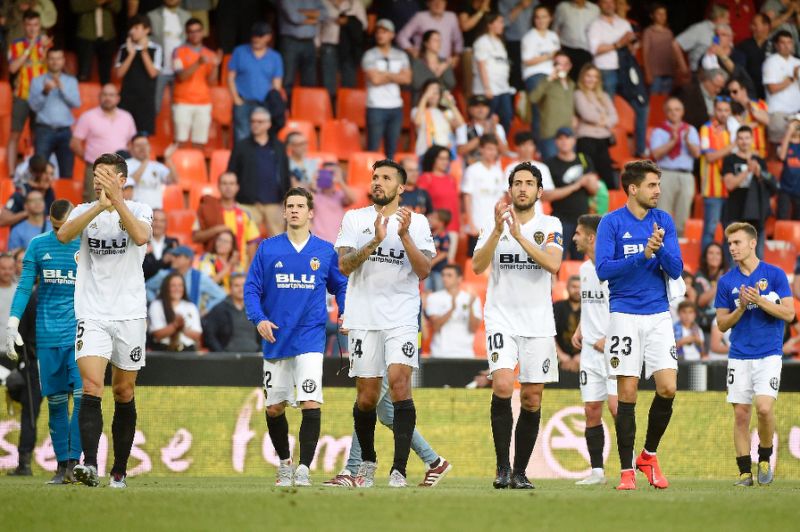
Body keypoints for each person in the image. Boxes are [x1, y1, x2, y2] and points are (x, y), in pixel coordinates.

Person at [335, 159, 438, 488]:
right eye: (375, 176)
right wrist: (375, 242)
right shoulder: (355, 218)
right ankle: (367, 461)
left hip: (402, 316)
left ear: (401, 187)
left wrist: (404, 236)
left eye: (386, 178)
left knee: (399, 383)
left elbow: (423, 271)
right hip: (364, 317)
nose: (378, 182)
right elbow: (344, 266)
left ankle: (399, 470)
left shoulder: (418, 223)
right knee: (366, 397)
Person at [56, 152, 154, 488]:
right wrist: (99, 206)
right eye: (96, 175)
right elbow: (64, 236)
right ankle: (90, 464)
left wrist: (117, 203)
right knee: (92, 387)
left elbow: (141, 237)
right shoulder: (85, 211)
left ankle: (119, 471)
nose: (99, 180)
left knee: (124, 391)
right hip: (93, 313)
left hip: (130, 314)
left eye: (106, 175)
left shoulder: (140, 210)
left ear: (122, 179)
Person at [245, 187, 348, 487]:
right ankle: (285, 463)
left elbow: (340, 286)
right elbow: (251, 289)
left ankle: (303, 468)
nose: (294, 210)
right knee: (274, 407)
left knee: (310, 401)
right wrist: (259, 319)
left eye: (300, 206)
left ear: (310, 212)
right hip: (277, 337)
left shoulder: (324, 251)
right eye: (289, 206)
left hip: (310, 337)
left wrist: (345, 311)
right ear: (284, 212)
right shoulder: (268, 249)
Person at [472, 161, 563, 489]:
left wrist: (521, 237)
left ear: (539, 191)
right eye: (517, 183)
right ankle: (502, 468)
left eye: (529, 183)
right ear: (510, 189)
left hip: (538, 322)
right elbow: (477, 266)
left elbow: (553, 264)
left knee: (533, 398)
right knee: (503, 386)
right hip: (501, 319)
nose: (522, 188)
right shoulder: (492, 224)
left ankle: (520, 472)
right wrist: (498, 231)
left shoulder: (550, 224)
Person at [595, 159, 682, 490]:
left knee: (668, 388)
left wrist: (658, 252)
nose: (658, 191)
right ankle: (626, 470)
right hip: (624, 314)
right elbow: (603, 270)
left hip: (658, 313)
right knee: (627, 392)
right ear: (633, 189)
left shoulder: (664, 221)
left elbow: (676, 269)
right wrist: (641, 255)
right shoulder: (612, 223)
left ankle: (648, 454)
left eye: (658, 185)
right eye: (652, 185)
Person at [715, 222, 795, 486]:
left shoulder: (775, 275)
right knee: (740, 415)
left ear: (752, 243)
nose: (732, 248)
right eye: (729, 244)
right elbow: (722, 324)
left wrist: (760, 300)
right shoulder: (727, 281)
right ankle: (744, 473)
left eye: (737, 243)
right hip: (739, 355)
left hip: (769, 353)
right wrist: (741, 307)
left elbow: (790, 314)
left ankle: (764, 455)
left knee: (763, 408)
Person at [7, 197, 81, 471]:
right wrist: (12, 322)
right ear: (50, 222)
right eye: (57, 226)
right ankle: (62, 465)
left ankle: (76, 461)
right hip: (46, 336)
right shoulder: (38, 246)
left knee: (84, 398)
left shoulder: (87, 244)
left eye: (67, 226)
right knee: (57, 402)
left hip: (80, 335)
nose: (62, 233)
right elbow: (25, 287)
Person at [569, 214, 618, 485]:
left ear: (591, 237)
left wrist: (609, 337)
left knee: (617, 408)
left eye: (577, 233)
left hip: (613, 350)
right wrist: (579, 328)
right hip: (589, 351)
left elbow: (623, 306)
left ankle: (628, 466)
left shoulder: (613, 267)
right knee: (591, 409)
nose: (573, 237)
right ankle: (597, 471)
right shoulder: (585, 269)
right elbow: (592, 305)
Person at [226, 108, 290, 238]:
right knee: (245, 240)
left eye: (260, 122)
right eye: (253, 121)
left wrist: (287, 199)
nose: (255, 124)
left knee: (278, 242)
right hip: (247, 203)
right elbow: (231, 172)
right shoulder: (241, 146)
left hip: (274, 203)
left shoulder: (279, 146)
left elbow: (285, 174)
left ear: (268, 124)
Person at [70, 84, 138, 202]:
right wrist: (91, 161)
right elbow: (74, 143)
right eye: (104, 95)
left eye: (111, 95)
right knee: (93, 202)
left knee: (120, 203)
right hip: (96, 169)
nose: (108, 98)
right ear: (99, 97)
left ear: (118, 98)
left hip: (119, 169)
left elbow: (131, 143)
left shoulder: (127, 117)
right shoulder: (88, 116)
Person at [543, 127, 600, 260]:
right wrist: (576, 185)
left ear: (573, 141)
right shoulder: (550, 164)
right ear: (556, 142)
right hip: (560, 219)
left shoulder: (584, 159)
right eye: (560, 138)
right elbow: (546, 195)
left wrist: (591, 182)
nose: (564, 142)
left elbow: (594, 190)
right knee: (557, 258)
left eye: (567, 138)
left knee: (579, 260)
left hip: (583, 220)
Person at [6, 9, 51, 177]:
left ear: (40, 26)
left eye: (36, 25)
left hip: (41, 98)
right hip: (22, 96)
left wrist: (45, 51)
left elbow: (53, 68)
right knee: (15, 134)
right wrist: (29, 48)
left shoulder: (46, 43)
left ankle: (36, 173)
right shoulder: (16, 44)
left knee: (38, 136)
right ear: (24, 26)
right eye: (29, 25)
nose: (32, 28)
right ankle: (11, 174)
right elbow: (12, 68)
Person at [650, 97, 702, 237]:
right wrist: (672, 142)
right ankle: (659, 246)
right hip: (665, 173)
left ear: (682, 112)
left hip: (686, 175)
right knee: (663, 213)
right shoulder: (659, 131)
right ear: (666, 112)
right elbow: (656, 154)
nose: (674, 113)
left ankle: (679, 247)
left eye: (677, 109)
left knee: (683, 213)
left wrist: (687, 142)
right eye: (670, 110)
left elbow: (697, 153)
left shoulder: (690, 130)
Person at [722, 126, 774, 258]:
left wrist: (759, 172)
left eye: (747, 138)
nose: (744, 141)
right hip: (735, 213)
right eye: (740, 138)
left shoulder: (760, 161)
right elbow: (729, 184)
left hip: (756, 216)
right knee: (734, 257)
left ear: (752, 139)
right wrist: (748, 171)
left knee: (758, 256)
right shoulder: (730, 159)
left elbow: (770, 186)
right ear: (736, 140)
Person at [362, 19, 411, 160]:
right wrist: (396, 75)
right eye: (378, 31)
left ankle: (388, 180)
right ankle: (370, 180)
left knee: (392, 150)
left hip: (395, 107)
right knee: (373, 147)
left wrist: (384, 74)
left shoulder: (401, 55)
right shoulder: (369, 54)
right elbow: (375, 80)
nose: (380, 35)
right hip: (375, 106)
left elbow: (407, 79)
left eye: (384, 32)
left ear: (392, 35)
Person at [227, 22, 284, 143]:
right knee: (242, 136)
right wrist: (236, 99)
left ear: (268, 37)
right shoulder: (239, 51)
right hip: (244, 102)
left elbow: (277, 83)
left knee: (263, 137)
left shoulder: (275, 57)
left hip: (264, 103)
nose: (256, 39)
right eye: (254, 35)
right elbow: (230, 77)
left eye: (260, 36)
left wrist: (272, 100)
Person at [28, 47, 80, 180]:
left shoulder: (71, 81)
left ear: (63, 61)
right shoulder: (37, 81)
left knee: (67, 173)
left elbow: (76, 103)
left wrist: (62, 90)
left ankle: (64, 200)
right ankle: (39, 200)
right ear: (47, 61)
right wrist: (45, 91)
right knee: (39, 171)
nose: (55, 62)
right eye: (52, 59)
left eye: (58, 58)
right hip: (44, 130)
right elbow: (33, 106)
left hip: (65, 132)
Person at [192, 172, 261, 264]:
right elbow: (195, 237)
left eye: (231, 184)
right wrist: (216, 230)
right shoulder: (207, 208)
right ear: (219, 186)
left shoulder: (245, 213)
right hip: (212, 268)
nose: (228, 187)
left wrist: (250, 270)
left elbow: (252, 243)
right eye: (224, 183)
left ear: (237, 187)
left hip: (238, 269)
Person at [172, 17, 220, 149]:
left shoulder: (209, 53)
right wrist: (198, 63)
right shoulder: (178, 52)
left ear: (203, 32)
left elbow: (212, 82)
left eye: (198, 31)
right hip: (182, 102)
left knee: (199, 143)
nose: (195, 34)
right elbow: (181, 76)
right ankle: (179, 169)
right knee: (180, 141)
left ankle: (195, 169)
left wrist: (215, 66)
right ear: (186, 33)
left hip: (203, 102)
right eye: (191, 31)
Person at [115, 14, 162, 135]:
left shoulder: (156, 49)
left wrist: (144, 51)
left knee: (142, 137)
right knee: (123, 135)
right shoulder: (124, 48)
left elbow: (153, 73)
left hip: (145, 102)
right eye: (130, 28)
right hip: (126, 100)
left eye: (136, 28)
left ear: (147, 30)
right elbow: (119, 74)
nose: (132, 31)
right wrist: (131, 54)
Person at [574, 64, 618, 190]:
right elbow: (587, 114)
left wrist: (602, 121)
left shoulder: (603, 95)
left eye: (595, 77)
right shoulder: (578, 94)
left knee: (608, 176)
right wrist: (604, 118)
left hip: (603, 140)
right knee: (589, 175)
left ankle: (611, 207)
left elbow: (615, 117)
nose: (591, 79)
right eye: (588, 76)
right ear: (583, 77)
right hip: (586, 139)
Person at [146, 245, 227, 314]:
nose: (172, 259)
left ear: (188, 259)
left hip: (191, 322)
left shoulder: (199, 277)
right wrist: (157, 304)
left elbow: (221, 295)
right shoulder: (164, 275)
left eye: (177, 256)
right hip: (166, 319)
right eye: (173, 256)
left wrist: (206, 310)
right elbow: (147, 288)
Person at [700, 97, 735, 252]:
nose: (723, 114)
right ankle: (705, 269)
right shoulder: (706, 129)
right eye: (720, 110)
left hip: (731, 190)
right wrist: (732, 147)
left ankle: (726, 268)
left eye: (726, 110)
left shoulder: (733, 131)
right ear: (714, 111)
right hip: (712, 190)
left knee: (730, 232)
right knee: (710, 230)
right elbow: (710, 157)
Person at [461, 134, 507, 251]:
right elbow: (467, 197)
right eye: (489, 149)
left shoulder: (498, 172)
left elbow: (501, 199)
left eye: (495, 149)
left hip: (494, 226)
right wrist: (470, 223)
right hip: (477, 225)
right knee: (475, 262)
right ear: (481, 149)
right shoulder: (472, 170)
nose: (492, 153)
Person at [521, 5, 560, 142]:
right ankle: (540, 145)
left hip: (553, 76)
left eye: (544, 16)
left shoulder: (553, 36)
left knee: (554, 110)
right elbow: (527, 61)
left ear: (550, 18)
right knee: (540, 111)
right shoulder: (529, 36)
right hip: (535, 75)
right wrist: (549, 55)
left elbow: (558, 58)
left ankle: (554, 143)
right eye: (537, 17)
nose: (541, 20)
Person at [146, 0, 192, 115]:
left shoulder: (187, 16)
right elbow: (147, 41)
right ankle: (151, 132)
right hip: (159, 68)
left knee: (180, 109)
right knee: (153, 107)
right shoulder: (152, 16)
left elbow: (190, 42)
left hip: (180, 70)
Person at [528, 52, 575, 161]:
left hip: (568, 134)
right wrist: (549, 79)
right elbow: (533, 98)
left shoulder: (572, 84)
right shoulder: (546, 81)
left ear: (569, 66)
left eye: (564, 64)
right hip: (550, 134)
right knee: (551, 169)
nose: (561, 67)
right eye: (557, 64)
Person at [425, 265, 480, 359]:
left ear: (459, 279)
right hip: (440, 354)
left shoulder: (472, 299)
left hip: (465, 354)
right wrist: (452, 309)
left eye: (449, 275)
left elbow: (473, 328)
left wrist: (470, 307)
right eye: (443, 275)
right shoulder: (433, 298)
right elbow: (435, 326)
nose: (444, 278)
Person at [319, 0, 367, 105]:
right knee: (329, 83)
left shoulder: (355, 3)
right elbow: (318, 24)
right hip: (328, 45)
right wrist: (317, 45)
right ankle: (329, 112)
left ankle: (348, 111)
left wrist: (348, 21)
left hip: (349, 48)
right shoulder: (323, 2)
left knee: (349, 83)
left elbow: (364, 25)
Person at [472, 12, 513, 133]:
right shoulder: (482, 42)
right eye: (499, 22)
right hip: (489, 89)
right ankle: (488, 144)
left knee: (507, 116)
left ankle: (501, 142)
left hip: (503, 88)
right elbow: (481, 65)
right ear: (490, 24)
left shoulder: (499, 42)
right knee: (487, 118)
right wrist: (487, 87)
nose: (502, 25)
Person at [277, 0, 325, 104]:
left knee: (310, 81)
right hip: (290, 42)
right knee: (288, 80)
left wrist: (303, 13)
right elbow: (294, 17)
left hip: (309, 42)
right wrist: (313, 15)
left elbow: (325, 14)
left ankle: (306, 109)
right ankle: (286, 111)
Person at [586, 0, 636, 97]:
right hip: (605, 69)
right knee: (608, 100)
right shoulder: (595, 25)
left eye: (611, 2)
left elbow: (631, 46)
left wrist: (631, 44)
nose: (609, 5)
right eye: (605, 2)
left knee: (628, 98)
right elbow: (594, 49)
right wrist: (618, 44)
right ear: (599, 5)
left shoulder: (624, 23)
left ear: (615, 4)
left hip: (625, 67)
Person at [201, 272, 260, 352]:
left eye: (243, 285)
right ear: (230, 288)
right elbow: (209, 335)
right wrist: (221, 354)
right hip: (228, 360)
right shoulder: (219, 309)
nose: (241, 289)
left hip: (254, 358)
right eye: (236, 285)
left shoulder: (256, 309)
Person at [503, 132, 555, 217]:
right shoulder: (510, 168)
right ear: (517, 147)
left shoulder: (543, 168)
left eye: (530, 145)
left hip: (537, 214)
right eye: (523, 145)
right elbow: (508, 197)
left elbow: (547, 194)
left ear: (534, 147)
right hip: (515, 215)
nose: (527, 148)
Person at [397, 0, 462, 66]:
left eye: (441, 1)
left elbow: (458, 39)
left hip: (445, 62)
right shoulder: (420, 17)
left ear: (445, 3)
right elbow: (401, 36)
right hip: (424, 62)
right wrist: (413, 51)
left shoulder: (451, 17)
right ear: (428, 4)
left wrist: (457, 56)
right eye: (434, 2)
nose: (438, 5)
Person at [148, 272, 202, 351]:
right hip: (164, 351)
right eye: (173, 285)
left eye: (180, 285)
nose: (177, 289)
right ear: (166, 287)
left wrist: (182, 328)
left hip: (187, 351)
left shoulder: (191, 307)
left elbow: (197, 335)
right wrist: (175, 325)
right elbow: (157, 334)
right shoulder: (157, 305)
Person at [763, 30, 800, 145]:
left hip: (797, 112)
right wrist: (792, 78)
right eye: (783, 43)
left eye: (789, 42)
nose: (786, 46)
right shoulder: (770, 62)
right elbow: (772, 89)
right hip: (778, 113)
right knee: (778, 147)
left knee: (796, 151)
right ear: (776, 45)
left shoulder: (797, 62)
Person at [70, 0, 120, 84]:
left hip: (108, 35)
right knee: (83, 74)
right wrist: (98, 2)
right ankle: (84, 95)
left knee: (106, 76)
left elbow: (117, 7)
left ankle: (106, 95)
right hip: (86, 35)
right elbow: (75, 6)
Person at [673, 3, 730, 77]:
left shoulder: (719, 32)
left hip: (716, 76)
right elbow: (675, 44)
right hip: (698, 75)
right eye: (727, 18)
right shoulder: (699, 29)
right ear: (719, 18)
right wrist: (683, 68)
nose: (728, 22)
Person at [418, 146, 460, 240]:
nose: (445, 162)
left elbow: (456, 206)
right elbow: (420, 203)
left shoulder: (451, 179)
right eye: (441, 158)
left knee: (450, 255)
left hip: (453, 228)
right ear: (433, 159)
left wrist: (458, 227)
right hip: (434, 229)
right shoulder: (426, 178)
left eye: (447, 159)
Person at [411, 81, 464, 157]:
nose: (433, 95)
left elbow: (460, 124)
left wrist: (451, 104)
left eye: (436, 92)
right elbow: (417, 122)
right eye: (430, 92)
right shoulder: (417, 110)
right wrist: (425, 97)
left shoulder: (445, 112)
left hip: (444, 154)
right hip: (425, 152)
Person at [0, 157, 55, 228]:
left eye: (51, 174)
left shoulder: (50, 192)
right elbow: (2, 220)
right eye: (45, 173)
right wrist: (27, 213)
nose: (49, 178)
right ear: (36, 173)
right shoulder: (22, 191)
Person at [125, 135, 177, 210]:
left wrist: (168, 159)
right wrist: (145, 161)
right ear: (132, 148)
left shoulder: (157, 166)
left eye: (144, 144)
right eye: (138, 145)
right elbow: (131, 182)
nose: (142, 148)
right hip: (135, 212)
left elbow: (174, 180)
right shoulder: (126, 164)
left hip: (155, 213)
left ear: (149, 146)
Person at [455, 95, 508, 167]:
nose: (481, 109)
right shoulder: (463, 129)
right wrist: (483, 136)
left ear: (489, 109)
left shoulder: (498, 127)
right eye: (477, 106)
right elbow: (460, 151)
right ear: (470, 109)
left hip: (494, 170)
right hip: (472, 171)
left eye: (484, 106)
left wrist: (494, 132)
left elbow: (505, 151)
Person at [552, 0, 600, 80]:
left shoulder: (595, 9)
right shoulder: (562, 7)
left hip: (586, 52)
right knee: (564, 79)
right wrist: (557, 51)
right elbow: (555, 29)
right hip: (566, 50)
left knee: (584, 80)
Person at [311, 162, 357, 244]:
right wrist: (313, 182)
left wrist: (340, 181)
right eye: (326, 173)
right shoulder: (315, 196)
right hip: (319, 243)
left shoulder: (339, 196)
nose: (328, 176)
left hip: (338, 243)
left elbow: (353, 199)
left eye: (332, 173)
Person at [410, 30, 457, 104]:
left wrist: (445, 68)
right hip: (422, 104)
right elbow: (417, 84)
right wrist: (438, 72)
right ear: (426, 43)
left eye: (440, 40)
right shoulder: (417, 62)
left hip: (442, 104)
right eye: (435, 40)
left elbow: (451, 83)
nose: (439, 43)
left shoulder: (444, 62)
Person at [727, 77, 769, 159]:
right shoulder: (736, 111)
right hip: (743, 153)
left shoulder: (759, 104)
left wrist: (751, 108)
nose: (732, 95)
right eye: (730, 92)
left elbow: (768, 121)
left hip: (760, 151)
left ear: (743, 90)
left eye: (735, 91)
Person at [735, 13, 772, 100]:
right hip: (749, 92)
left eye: (755, 25)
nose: (752, 27)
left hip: (770, 92)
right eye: (752, 25)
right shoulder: (743, 45)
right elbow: (738, 70)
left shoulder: (775, 45)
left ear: (766, 26)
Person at [642, 3, 676, 95]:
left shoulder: (669, 32)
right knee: (654, 100)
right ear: (652, 16)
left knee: (666, 101)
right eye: (659, 14)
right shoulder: (648, 32)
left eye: (664, 14)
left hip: (668, 73)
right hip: (654, 75)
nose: (662, 16)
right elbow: (645, 53)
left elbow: (673, 53)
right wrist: (647, 72)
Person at [694, 243, 729, 334]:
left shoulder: (729, 275)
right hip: (704, 324)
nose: (714, 256)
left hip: (723, 325)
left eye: (718, 253)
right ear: (705, 257)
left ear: (722, 257)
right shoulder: (699, 276)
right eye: (711, 253)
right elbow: (700, 302)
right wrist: (719, 283)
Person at [554, 275, 581, 372]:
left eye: (580, 287)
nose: (577, 290)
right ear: (567, 288)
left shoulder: (589, 309)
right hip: (558, 356)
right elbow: (550, 334)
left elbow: (594, 334)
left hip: (586, 356)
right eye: (574, 287)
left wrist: (580, 357)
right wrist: (561, 356)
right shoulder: (557, 307)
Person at [143, 208, 178, 279]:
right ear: (149, 222)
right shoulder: (142, 242)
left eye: (162, 221)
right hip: (146, 285)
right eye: (155, 220)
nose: (158, 224)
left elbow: (176, 268)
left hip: (168, 286)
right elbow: (143, 270)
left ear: (166, 224)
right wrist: (163, 261)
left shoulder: (173, 243)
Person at [776, 116, 800, 220]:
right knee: (782, 217)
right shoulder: (784, 143)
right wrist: (789, 132)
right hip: (785, 187)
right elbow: (782, 156)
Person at [425, 209, 451, 292]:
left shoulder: (444, 236)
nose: (431, 220)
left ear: (441, 223)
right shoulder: (429, 233)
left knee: (438, 290)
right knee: (427, 290)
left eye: (434, 218)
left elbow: (444, 253)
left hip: (439, 270)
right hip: (427, 269)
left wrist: (432, 262)